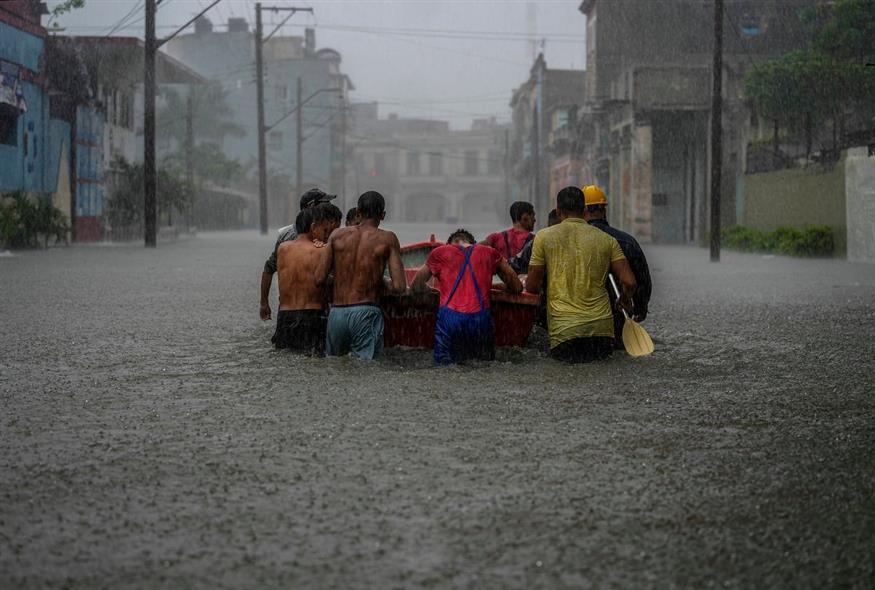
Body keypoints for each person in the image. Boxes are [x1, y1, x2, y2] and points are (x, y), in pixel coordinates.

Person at [525, 186, 636, 363]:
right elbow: (629, 282)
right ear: (584, 211)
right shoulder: (607, 240)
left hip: (564, 332)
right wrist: (624, 299)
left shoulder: (543, 237)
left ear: (558, 211)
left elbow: (532, 286)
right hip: (602, 332)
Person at [315, 191, 406, 360]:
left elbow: (319, 278)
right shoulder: (388, 239)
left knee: (334, 367)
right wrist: (380, 280)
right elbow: (399, 287)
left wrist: (343, 279)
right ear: (383, 215)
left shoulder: (336, 236)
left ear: (358, 212)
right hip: (366, 312)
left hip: (336, 315)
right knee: (366, 372)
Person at [411, 229, 522, 364]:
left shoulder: (440, 252)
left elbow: (416, 286)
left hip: (449, 319)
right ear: (474, 244)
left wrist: (431, 291)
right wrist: (491, 287)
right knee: (483, 365)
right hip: (480, 319)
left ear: (448, 244)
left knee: (444, 367)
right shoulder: (489, 252)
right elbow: (516, 287)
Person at [582, 185, 652, 349]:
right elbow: (642, 279)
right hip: (618, 317)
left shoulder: (570, 243)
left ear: (582, 210)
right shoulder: (626, 241)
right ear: (603, 210)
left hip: (580, 320)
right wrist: (640, 308)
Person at [272, 203, 343, 354]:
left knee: (287, 360)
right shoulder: (321, 251)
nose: (326, 234)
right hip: (312, 316)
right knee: (314, 363)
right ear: (313, 227)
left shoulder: (282, 249)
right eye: (324, 229)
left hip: (285, 316)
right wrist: (326, 247)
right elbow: (341, 276)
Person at [259, 188, 336, 321]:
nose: (329, 207)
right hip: (309, 311)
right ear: (312, 207)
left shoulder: (327, 231)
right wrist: (264, 303)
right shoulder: (290, 236)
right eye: (325, 204)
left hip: (292, 312)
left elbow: (269, 269)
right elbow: (269, 268)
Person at [510, 208, 559, 274]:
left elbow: (514, 263)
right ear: (524, 217)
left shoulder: (538, 240)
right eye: (533, 216)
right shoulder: (537, 241)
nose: (535, 220)